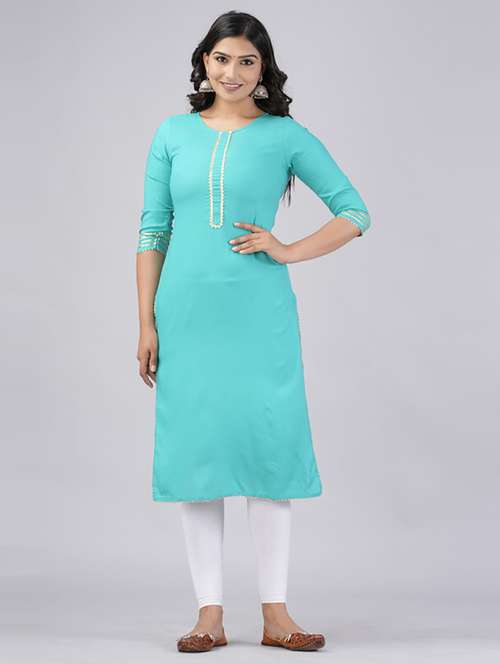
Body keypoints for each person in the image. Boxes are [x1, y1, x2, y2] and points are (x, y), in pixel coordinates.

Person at [135, 10, 371, 654]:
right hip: (185, 315)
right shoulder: (172, 134)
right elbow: (152, 230)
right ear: (203, 62)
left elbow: (355, 211)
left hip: (259, 316)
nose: (232, 72)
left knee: (268, 454)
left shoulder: (284, 135)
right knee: (196, 458)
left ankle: (276, 614)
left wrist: (287, 249)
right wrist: (146, 321)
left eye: (246, 61)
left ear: (263, 68)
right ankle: (208, 615)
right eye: (221, 58)